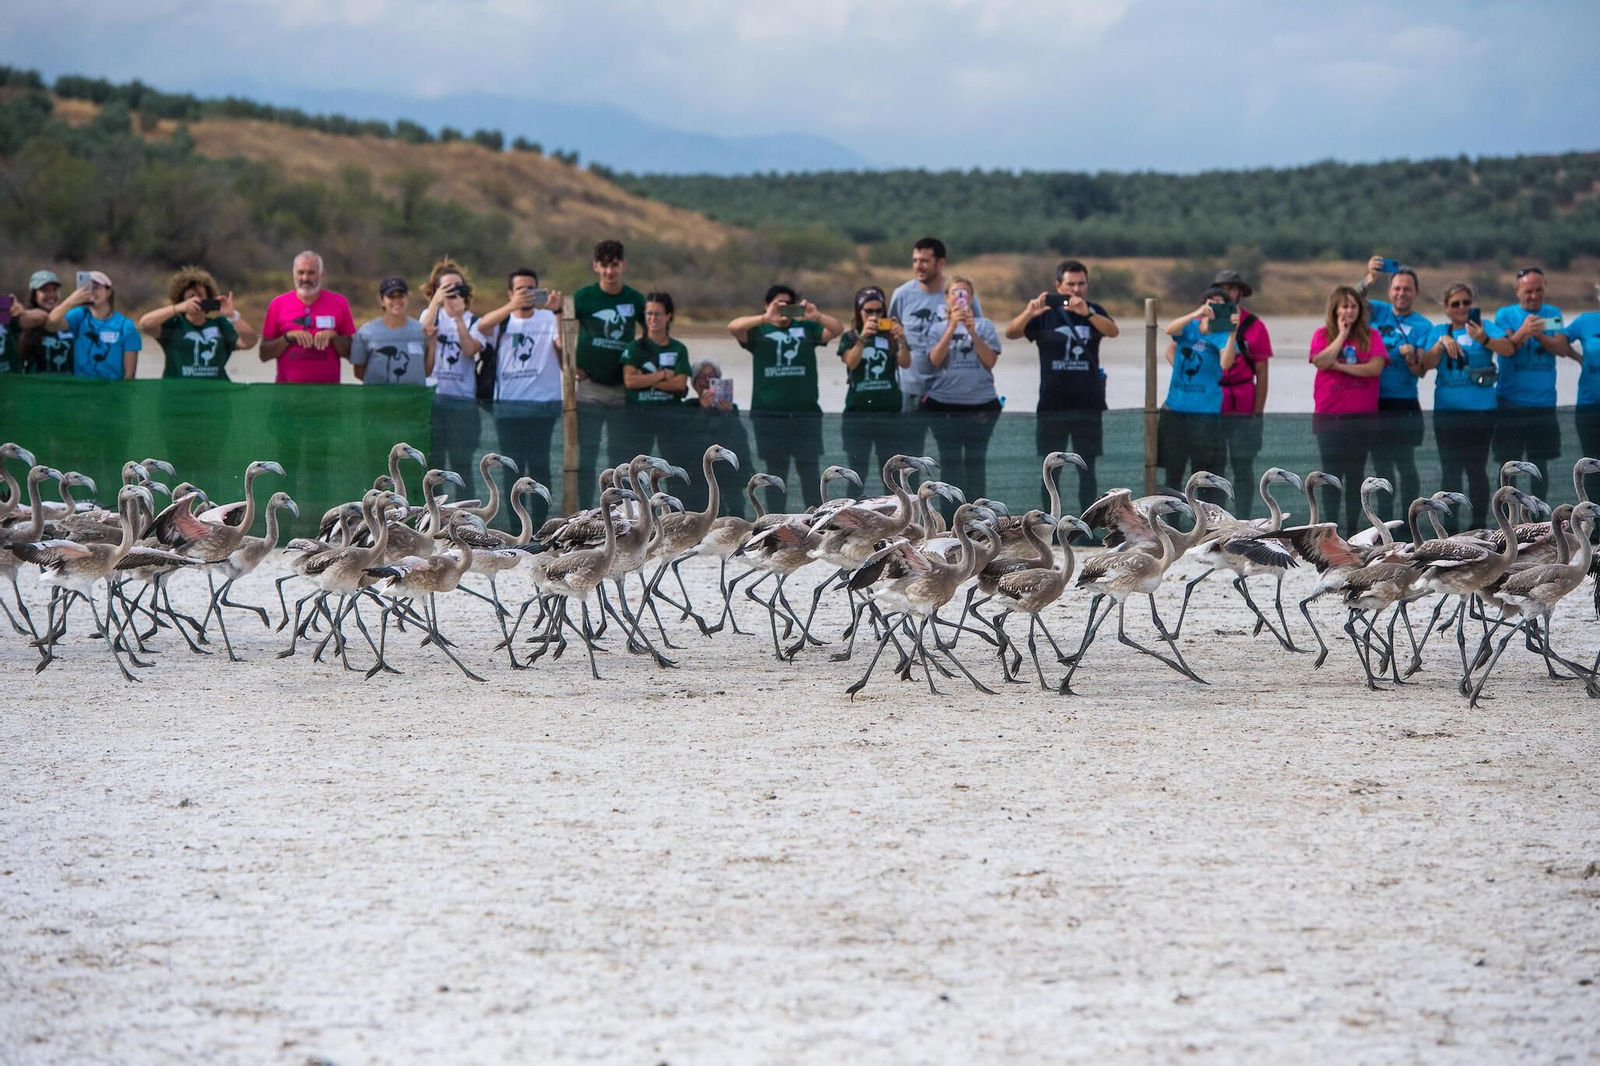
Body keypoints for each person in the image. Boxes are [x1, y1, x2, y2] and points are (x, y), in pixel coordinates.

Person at [1005, 259, 1118, 513]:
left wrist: (1087, 313)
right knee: (1049, 471)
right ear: (1058, 285)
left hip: (1088, 404)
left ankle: (1087, 524)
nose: (1076, 290)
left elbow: (1112, 331)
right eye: (1070, 285)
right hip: (1052, 404)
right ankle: (1050, 524)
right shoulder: (1046, 314)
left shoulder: (1094, 309)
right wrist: (1029, 313)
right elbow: (1011, 332)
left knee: (1087, 469)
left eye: (1081, 284)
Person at [727, 285, 842, 511]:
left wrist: (815, 315)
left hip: (805, 414)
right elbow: (733, 327)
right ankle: (776, 523)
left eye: (787, 305)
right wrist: (765, 317)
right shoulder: (759, 330)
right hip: (769, 416)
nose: (782, 310)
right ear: (767, 305)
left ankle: (814, 522)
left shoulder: (806, 327)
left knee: (809, 473)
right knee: (774, 475)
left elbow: (837, 329)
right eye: (777, 304)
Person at [1421, 283, 1513, 530]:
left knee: (1476, 469)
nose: (1461, 308)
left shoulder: (1485, 326)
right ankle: (1451, 531)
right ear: (1446, 308)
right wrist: (1442, 342)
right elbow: (1426, 363)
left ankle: (1478, 526)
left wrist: (1483, 338)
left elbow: (1509, 348)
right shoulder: (1438, 330)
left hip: (1481, 412)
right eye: (1455, 304)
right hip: (1447, 412)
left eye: (1466, 303)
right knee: (1450, 471)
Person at [471, 268, 564, 489]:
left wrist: (559, 312)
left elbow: (562, 345)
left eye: (531, 288)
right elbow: (481, 326)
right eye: (520, 289)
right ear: (510, 293)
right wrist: (511, 308)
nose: (526, 293)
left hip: (543, 405)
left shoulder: (548, 318)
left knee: (540, 467)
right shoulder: (502, 321)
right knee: (512, 468)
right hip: (507, 408)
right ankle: (515, 524)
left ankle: (543, 523)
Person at [572, 239, 646, 506]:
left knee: (620, 454)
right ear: (595, 267)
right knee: (586, 453)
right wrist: (572, 364)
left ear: (623, 265)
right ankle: (581, 509)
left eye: (614, 265)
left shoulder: (635, 299)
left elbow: (650, 335)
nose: (609, 271)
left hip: (623, 388)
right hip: (590, 386)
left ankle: (620, 513)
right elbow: (563, 329)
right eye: (604, 266)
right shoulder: (583, 297)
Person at [1308, 286, 1388, 533]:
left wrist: (1340, 366)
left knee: (1355, 476)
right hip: (1329, 418)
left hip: (1362, 419)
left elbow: (1374, 368)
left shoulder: (1371, 335)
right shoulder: (1322, 334)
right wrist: (1341, 336)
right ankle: (1330, 530)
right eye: (1344, 306)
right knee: (1330, 476)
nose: (1349, 311)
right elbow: (1320, 360)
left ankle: (1353, 530)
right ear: (1335, 309)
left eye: (1353, 306)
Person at [1358, 257, 1431, 519]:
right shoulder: (1377, 310)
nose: (1401, 293)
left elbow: (1420, 370)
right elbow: (1349, 301)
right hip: (1375, 401)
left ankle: (1409, 519)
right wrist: (1369, 278)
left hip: (1404, 403)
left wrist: (1412, 355)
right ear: (1390, 291)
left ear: (1416, 292)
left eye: (1407, 289)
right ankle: (1386, 520)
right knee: (1381, 467)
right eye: (1397, 288)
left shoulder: (1424, 326)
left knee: (1406, 465)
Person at [923, 275, 1003, 501]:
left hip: (981, 406)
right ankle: (951, 519)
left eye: (964, 293)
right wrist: (952, 328)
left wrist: (972, 331)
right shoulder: (937, 328)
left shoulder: (985, 325)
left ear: (971, 297)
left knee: (975, 463)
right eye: (955, 293)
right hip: (944, 406)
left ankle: (978, 518)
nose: (960, 298)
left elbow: (990, 361)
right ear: (947, 298)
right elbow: (935, 360)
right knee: (949, 463)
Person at [1492, 266, 1573, 476]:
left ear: (1545, 289)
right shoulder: (1506, 314)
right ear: (1518, 291)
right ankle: (1511, 508)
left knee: (1541, 466)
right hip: (1510, 402)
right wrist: (1524, 331)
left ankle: (1540, 509)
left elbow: (1562, 348)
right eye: (1528, 291)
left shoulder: (1552, 313)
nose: (1534, 296)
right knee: (1509, 466)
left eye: (1539, 290)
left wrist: (1538, 335)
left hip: (1543, 403)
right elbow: (1508, 347)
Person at [1157, 287, 1239, 492]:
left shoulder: (1221, 335)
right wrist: (1197, 313)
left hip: (1205, 415)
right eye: (1212, 303)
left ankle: (1203, 519)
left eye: (1221, 304)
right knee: (1172, 472)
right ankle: (1170, 520)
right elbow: (1170, 330)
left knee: (1203, 475)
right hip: (1175, 410)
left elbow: (1226, 363)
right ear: (1204, 303)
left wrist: (1232, 332)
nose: (1215, 308)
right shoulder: (1190, 327)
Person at [890, 237, 983, 413]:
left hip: (951, 389)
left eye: (924, 261)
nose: (918, 266)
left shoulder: (960, 294)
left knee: (948, 441)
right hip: (911, 388)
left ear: (940, 263)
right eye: (915, 261)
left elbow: (979, 331)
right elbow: (891, 337)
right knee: (910, 441)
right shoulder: (901, 295)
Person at [1211, 269, 1273, 517]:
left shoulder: (1255, 326)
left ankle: (1244, 520)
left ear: (1240, 293)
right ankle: (1215, 522)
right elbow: (1176, 347)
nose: (1227, 293)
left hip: (1244, 404)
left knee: (1243, 466)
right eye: (1222, 288)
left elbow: (1263, 373)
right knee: (1214, 470)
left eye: (1232, 288)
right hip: (1212, 404)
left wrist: (1257, 415)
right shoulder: (1205, 324)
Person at [837, 285, 913, 484]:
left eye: (878, 311)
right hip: (858, 414)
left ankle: (897, 513)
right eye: (868, 311)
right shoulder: (850, 337)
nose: (874, 315)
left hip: (889, 414)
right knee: (855, 474)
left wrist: (902, 340)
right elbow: (851, 362)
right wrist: (862, 338)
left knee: (891, 475)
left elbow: (905, 362)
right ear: (859, 312)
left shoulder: (889, 337)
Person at [420, 258, 483, 499]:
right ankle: (433, 519)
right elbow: (418, 333)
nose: (453, 292)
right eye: (446, 287)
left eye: (458, 287)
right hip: (433, 400)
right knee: (433, 467)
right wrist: (436, 302)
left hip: (462, 402)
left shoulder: (473, 320)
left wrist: (458, 318)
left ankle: (467, 520)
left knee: (462, 465)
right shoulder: (430, 314)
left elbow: (469, 350)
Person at [137, 265, 258, 381]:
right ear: (182, 300)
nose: (196, 300)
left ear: (209, 298)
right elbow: (145, 324)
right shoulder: (174, 324)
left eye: (200, 296)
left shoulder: (220, 324)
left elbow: (249, 342)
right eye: (191, 297)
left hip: (215, 394)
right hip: (178, 396)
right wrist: (177, 308)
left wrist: (232, 315)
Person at [259, 250, 356, 384]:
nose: (305, 278)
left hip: (328, 394)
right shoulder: (278, 304)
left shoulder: (339, 303)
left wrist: (334, 337)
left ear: (321, 274)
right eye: (300, 272)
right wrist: (288, 338)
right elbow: (263, 354)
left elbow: (352, 354)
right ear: (293, 273)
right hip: (287, 394)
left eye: (311, 273)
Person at [619, 292, 691, 462]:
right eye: (649, 313)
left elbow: (680, 384)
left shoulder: (679, 349)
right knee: (636, 466)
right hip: (639, 417)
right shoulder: (635, 347)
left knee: (672, 465)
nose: (652, 318)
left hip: (670, 418)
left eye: (657, 313)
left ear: (668, 316)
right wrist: (663, 375)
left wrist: (644, 378)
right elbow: (630, 381)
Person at [679, 358, 752, 517]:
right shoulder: (688, 408)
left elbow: (738, 439)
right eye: (702, 378)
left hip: (730, 476)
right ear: (694, 383)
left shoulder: (732, 408)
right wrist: (702, 412)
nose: (707, 382)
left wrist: (728, 415)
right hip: (699, 478)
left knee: (735, 515)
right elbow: (686, 442)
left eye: (712, 377)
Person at [44, 271, 141, 379]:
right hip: (82, 390)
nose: (91, 291)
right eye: (86, 287)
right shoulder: (79, 316)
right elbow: (51, 325)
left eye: (96, 286)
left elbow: (129, 375)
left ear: (108, 292)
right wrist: (71, 301)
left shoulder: (125, 326)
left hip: (111, 391)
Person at [351, 276, 430, 385]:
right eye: (391, 297)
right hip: (379, 399)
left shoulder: (421, 331)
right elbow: (359, 372)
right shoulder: (366, 332)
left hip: (413, 399)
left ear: (407, 297)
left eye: (401, 296)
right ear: (382, 300)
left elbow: (426, 370)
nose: (396, 301)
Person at [1570, 284, 1600, 480]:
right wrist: (1578, 358)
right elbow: (1558, 340)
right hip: (1589, 408)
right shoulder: (1585, 321)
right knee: (1592, 470)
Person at [16, 271, 72, 374]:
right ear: (34, 295)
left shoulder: (70, 319)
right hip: (37, 386)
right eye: (45, 290)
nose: (51, 295)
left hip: (69, 387)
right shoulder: (24, 323)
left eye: (54, 290)